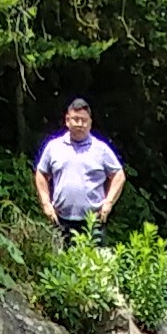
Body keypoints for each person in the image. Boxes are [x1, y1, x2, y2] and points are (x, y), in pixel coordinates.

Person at [33, 99, 126, 238]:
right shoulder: (54, 147)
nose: (80, 124)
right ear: (67, 120)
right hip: (59, 221)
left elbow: (119, 175)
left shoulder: (101, 149)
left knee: (93, 260)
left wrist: (109, 203)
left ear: (90, 123)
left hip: (93, 223)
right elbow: (41, 173)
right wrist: (46, 204)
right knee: (60, 259)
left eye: (84, 120)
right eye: (76, 119)